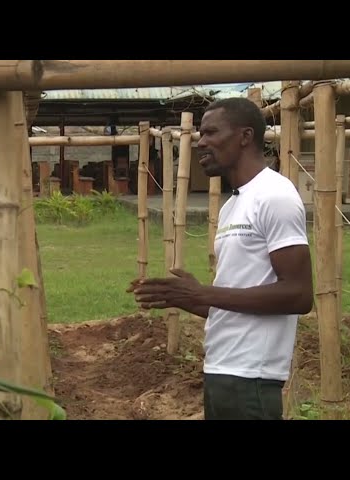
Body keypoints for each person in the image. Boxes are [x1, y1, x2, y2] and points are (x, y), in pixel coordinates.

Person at [127, 97, 313, 420]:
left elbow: (299, 294)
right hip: (220, 371)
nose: (202, 142)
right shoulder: (232, 206)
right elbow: (232, 300)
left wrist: (204, 293)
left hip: (252, 377)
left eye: (212, 133)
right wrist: (184, 297)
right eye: (201, 134)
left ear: (245, 136)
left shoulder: (276, 196)